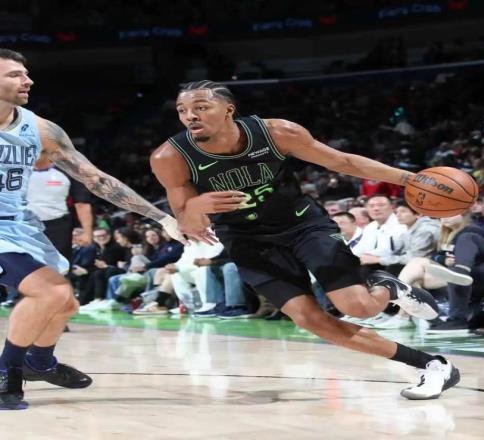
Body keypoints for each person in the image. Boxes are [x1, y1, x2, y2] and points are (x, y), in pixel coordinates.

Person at [150, 80, 460, 400]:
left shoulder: (276, 132)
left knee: (358, 307)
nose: (190, 116)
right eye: (182, 110)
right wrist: (196, 207)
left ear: (229, 109)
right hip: (247, 240)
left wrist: (411, 179)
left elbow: (343, 162)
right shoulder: (170, 156)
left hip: (303, 225)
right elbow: (188, 224)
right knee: (311, 320)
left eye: (201, 107)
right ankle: (432, 365)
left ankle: (387, 286)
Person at [0, 49, 187, 410]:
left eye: (26, 73)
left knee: (65, 303)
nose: (28, 80)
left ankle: (39, 363)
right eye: (15, 75)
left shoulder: (40, 129)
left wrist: (161, 217)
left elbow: (96, 179)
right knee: (50, 292)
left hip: (21, 226)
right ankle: (7, 372)